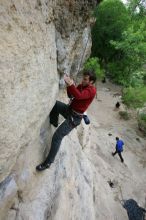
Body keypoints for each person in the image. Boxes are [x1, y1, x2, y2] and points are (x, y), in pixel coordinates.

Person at [36, 70, 97, 171]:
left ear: (91, 82)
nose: (83, 80)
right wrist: (69, 85)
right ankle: (54, 122)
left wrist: (71, 84)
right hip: (70, 110)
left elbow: (79, 96)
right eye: (83, 78)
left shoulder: (92, 90)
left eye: (85, 79)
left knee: (57, 137)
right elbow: (71, 95)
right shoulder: (82, 86)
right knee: (55, 104)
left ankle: (48, 163)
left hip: (75, 118)